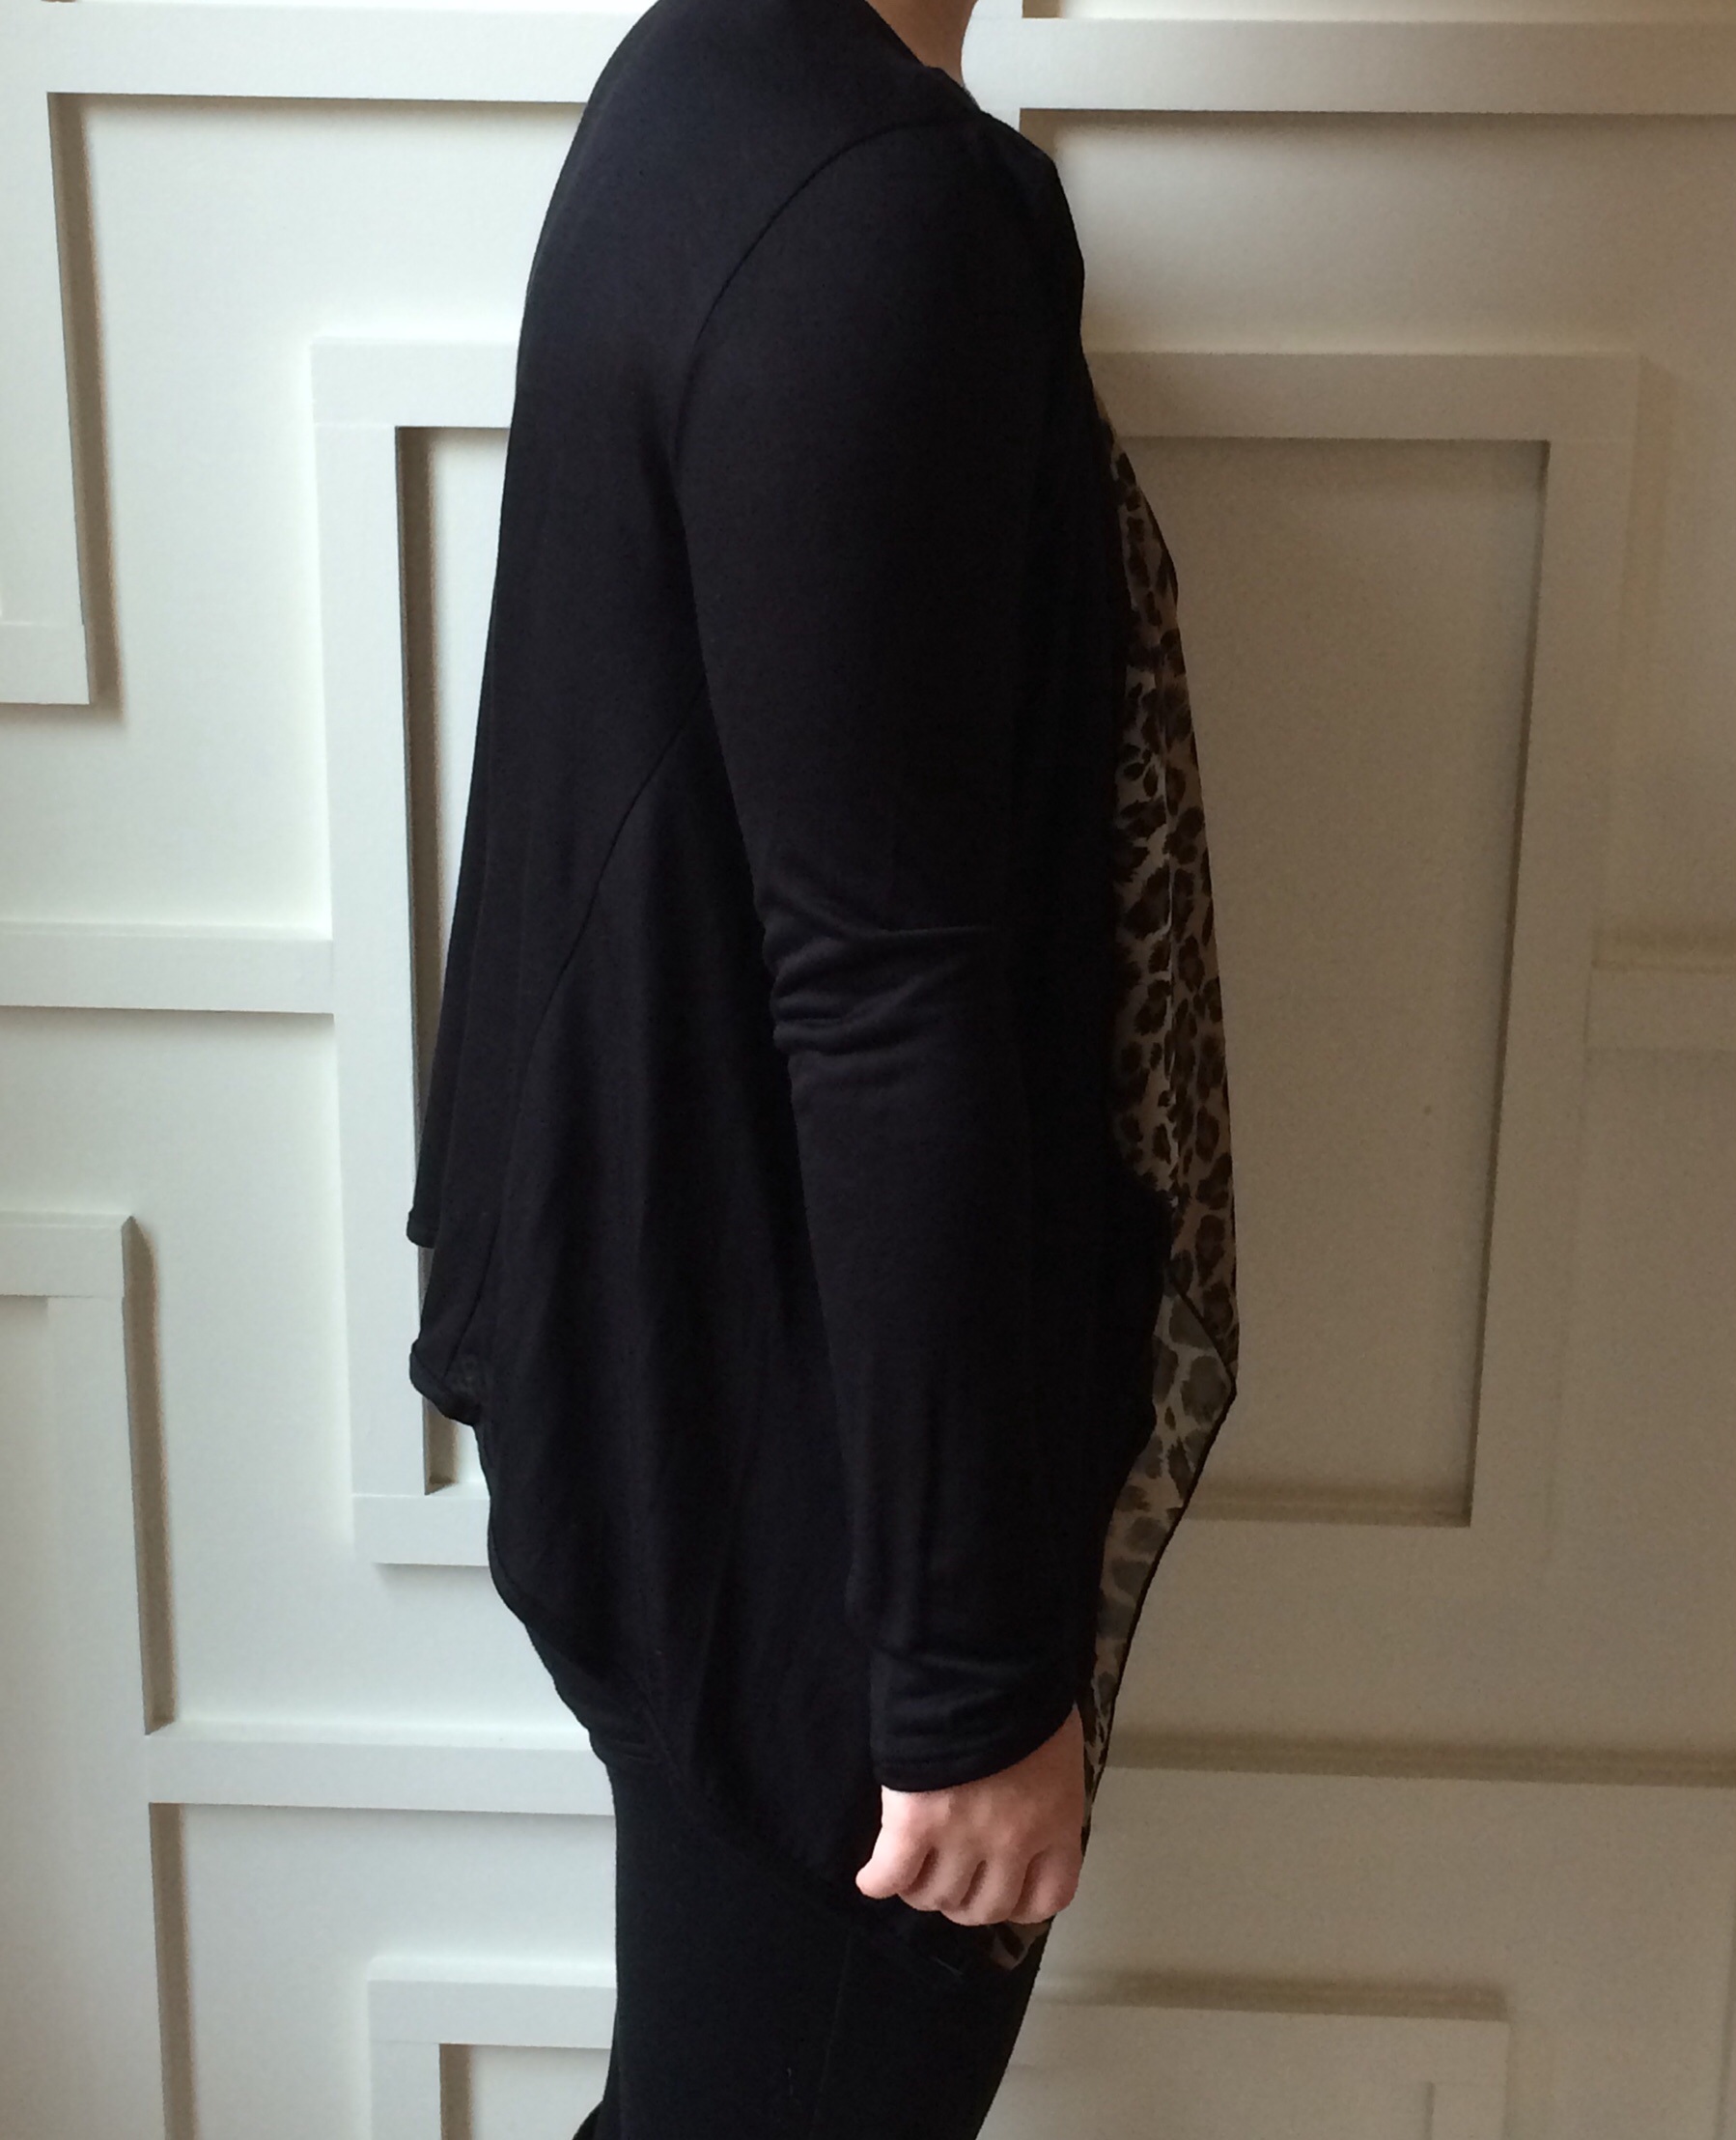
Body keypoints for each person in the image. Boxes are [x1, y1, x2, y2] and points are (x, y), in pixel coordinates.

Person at [403, 0, 1240, 2126]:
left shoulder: (708, 83)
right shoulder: (874, 207)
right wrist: (960, 1680)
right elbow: (884, 987)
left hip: (697, 1380)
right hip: (819, 1497)